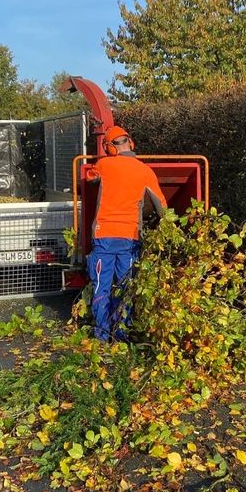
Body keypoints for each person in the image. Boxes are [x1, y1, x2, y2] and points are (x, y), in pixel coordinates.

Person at [85, 126, 167, 341]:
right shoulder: (145, 171)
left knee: (101, 285)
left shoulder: (103, 165)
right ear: (131, 143)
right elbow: (162, 207)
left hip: (104, 235)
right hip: (130, 236)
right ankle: (121, 333)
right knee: (126, 285)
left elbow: (89, 178)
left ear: (110, 148)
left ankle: (102, 335)